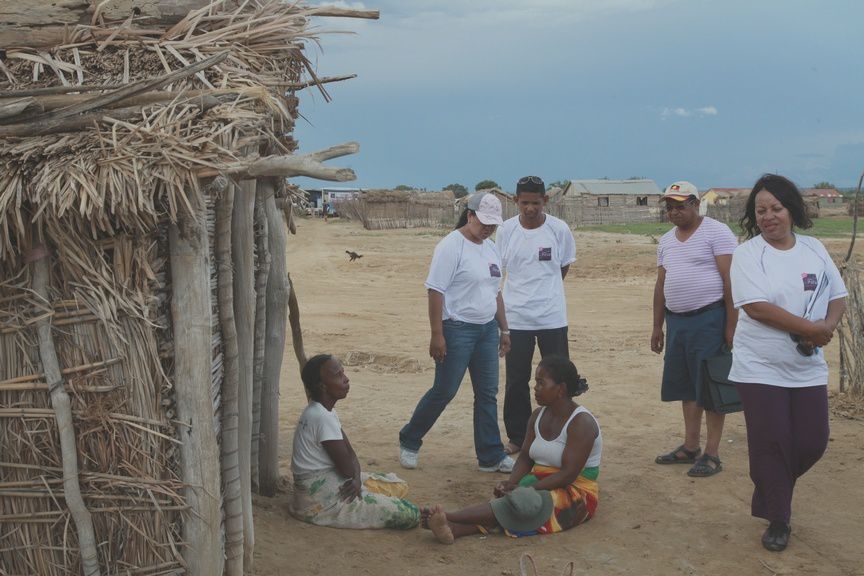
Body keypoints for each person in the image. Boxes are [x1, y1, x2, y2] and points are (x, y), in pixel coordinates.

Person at [729, 174, 847, 552]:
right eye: (760, 211)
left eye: (776, 208)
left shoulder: (814, 248)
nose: (768, 217)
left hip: (807, 366)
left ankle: (769, 487)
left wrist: (825, 328)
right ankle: (779, 518)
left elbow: (837, 295)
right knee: (772, 441)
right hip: (759, 366)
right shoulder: (748, 254)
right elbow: (756, 307)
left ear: (792, 210)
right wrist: (810, 329)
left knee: (813, 441)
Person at [421, 355, 601, 544]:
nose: (535, 387)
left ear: (561, 389)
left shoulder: (581, 423)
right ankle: (456, 530)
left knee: (525, 503)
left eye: (541, 383)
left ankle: (452, 518)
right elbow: (525, 457)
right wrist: (511, 483)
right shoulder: (537, 416)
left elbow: (567, 475)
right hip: (542, 483)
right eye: (535, 382)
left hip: (575, 494)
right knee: (519, 503)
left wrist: (526, 489)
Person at [399, 191, 515, 473]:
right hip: (457, 330)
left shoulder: (491, 248)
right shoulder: (451, 246)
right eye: (483, 222)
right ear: (470, 215)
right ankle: (410, 439)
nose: (488, 229)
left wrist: (504, 329)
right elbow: (435, 291)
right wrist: (436, 334)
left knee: (487, 393)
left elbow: (495, 292)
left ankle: (490, 455)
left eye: (493, 224)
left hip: (487, 330)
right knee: (445, 390)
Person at [651, 181, 738, 477]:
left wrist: (730, 325)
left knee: (711, 387)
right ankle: (690, 446)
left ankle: (712, 453)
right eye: (670, 207)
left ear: (696, 203)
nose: (675, 212)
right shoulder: (666, 240)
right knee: (687, 385)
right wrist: (657, 326)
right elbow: (661, 284)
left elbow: (731, 282)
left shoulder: (717, 232)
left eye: (681, 205)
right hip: (677, 322)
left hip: (709, 319)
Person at [290, 354, 420, 529]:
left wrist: (357, 479)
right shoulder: (321, 417)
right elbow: (348, 468)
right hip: (319, 501)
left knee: (398, 486)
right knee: (409, 513)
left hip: (331, 480)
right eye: (338, 375)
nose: (346, 379)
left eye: (343, 373)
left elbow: (350, 454)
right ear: (323, 386)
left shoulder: (323, 411)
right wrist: (355, 478)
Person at [497, 175, 577, 456]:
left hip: (552, 318)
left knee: (559, 379)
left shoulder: (559, 229)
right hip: (516, 318)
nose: (530, 208)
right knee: (517, 380)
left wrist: (547, 292)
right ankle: (518, 438)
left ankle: (561, 433)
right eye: (524, 203)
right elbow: (499, 269)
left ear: (545, 201)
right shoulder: (505, 230)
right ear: (515, 201)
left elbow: (563, 267)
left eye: (535, 203)